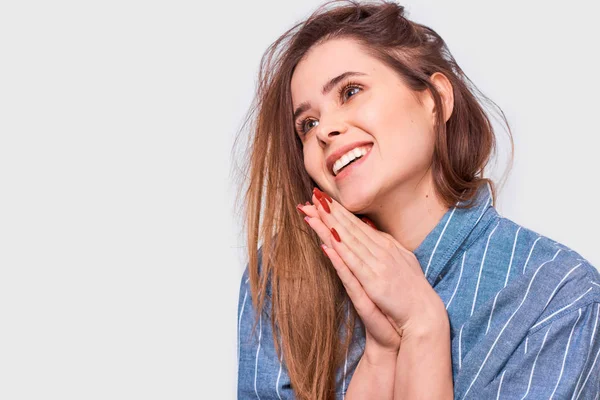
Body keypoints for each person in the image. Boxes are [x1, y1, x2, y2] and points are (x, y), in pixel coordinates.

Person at [232, 1, 600, 398]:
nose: (326, 130)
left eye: (351, 91)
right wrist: (382, 352)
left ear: (435, 99)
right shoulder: (280, 281)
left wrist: (424, 326)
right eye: (308, 123)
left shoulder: (555, 295)